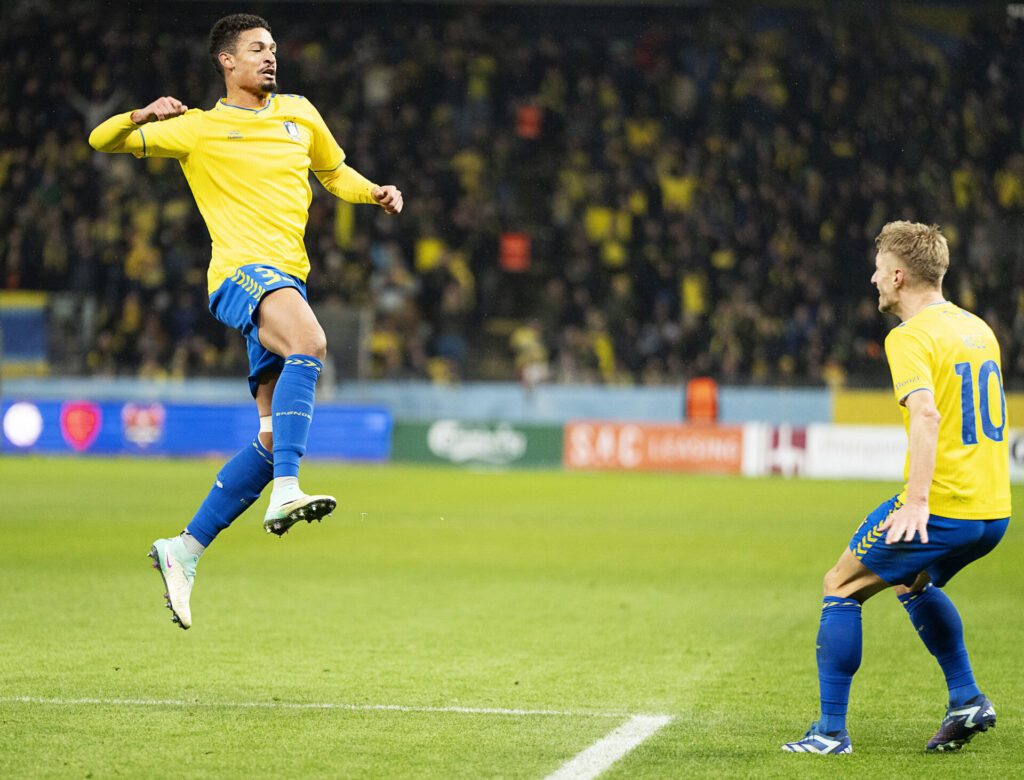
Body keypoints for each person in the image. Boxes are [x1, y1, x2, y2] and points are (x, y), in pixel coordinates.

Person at [89, 13, 403, 630]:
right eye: (257, 49)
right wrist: (142, 116)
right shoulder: (197, 129)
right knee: (312, 341)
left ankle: (185, 548)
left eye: (274, 48)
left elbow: (332, 171)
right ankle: (288, 490)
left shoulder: (300, 113)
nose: (270, 57)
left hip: (287, 278)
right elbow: (100, 141)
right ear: (226, 62)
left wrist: (375, 192)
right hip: (240, 274)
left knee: (267, 439)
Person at [782, 221, 1010, 754]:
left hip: (944, 508)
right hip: (993, 511)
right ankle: (967, 699)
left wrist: (917, 502)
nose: (874, 279)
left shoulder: (909, 337)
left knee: (840, 585)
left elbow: (927, 415)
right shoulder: (978, 328)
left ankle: (830, 733)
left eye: (880, 270)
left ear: (900, 276)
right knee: (912, 582)